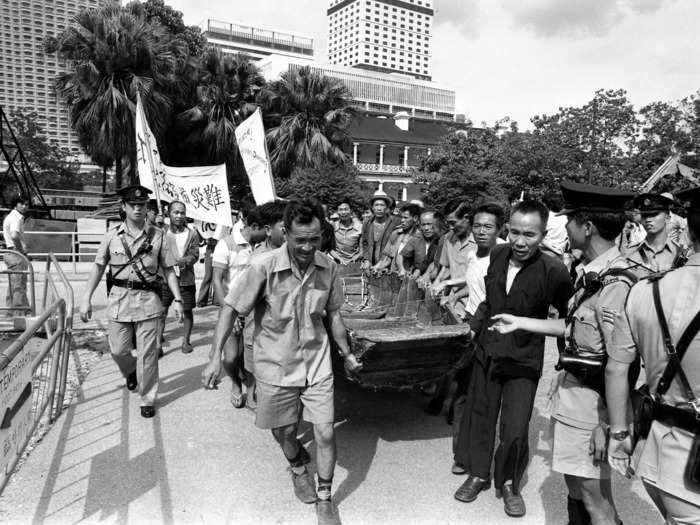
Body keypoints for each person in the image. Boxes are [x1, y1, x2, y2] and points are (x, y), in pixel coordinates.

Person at [202, 199, 362, 525]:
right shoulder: (262, 267)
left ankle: (325, 498)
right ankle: (298, 467)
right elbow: (230, 309)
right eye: (300, 239)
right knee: (285, 431)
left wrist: (347, 354)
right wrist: (214, 358)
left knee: (326, 433)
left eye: (314, 239)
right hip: (275, 363)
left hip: (317, 363)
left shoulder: (328, 268)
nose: (307, 247)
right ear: (285, 233)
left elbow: (333, 316)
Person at [490, 182, 636, 524]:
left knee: (595, 499)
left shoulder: (615, 283)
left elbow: (621, 362)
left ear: (587, 227)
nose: (564, 226)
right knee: (575, 487)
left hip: (592, 406)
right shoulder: (592, 273)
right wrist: (520, 321)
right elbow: (574, 328)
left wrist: (609, 424)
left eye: (569, 219)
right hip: (575, 400)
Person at [453, 200, 573, 518]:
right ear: (508, 230)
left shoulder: (554, 271)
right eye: (515, 232)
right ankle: (478, 473)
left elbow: (569, 321)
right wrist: (473, 330)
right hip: (487, 352)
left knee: (516, 428)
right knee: (481, 416)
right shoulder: (497, 254)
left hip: (523, 360)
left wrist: (565, 364)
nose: (520, 242)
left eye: (530, 235)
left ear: (543, 234)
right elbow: (488, 303)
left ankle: (508, 483)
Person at [606, 185, 700, 525]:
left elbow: (617, 366)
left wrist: (619, 433)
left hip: (659, 453)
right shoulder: (627, 257)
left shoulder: (645, 290)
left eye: (654, 214)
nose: (648, 220)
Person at [79, 185, 183, 418]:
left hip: (148, 301)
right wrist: (85, 298)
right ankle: (130, 372)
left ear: (147, 207)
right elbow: (98, 267)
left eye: (142, 205)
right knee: (118, 349)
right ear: (123, 207)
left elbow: (168, 270)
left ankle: (147, 398)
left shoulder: (159, 236)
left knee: (148, 354)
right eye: (133, 205)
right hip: (119, 300)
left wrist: (177, 299)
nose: (138, 208)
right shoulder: (112, 235)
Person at [211, 206, 267, 408]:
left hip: (254, 310)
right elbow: (217, 281)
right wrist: (227, 311)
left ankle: (251, 389)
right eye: (264, 228)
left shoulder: (263, 247)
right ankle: (235, 382)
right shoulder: (226, 245)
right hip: (231, 308)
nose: (268, 232)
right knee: (231, 357)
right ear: (253, 225)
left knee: (250, 354)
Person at [157, 201, 200, 355]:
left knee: (187, 311)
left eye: (182, 212)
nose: (179, 216)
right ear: (169, 214)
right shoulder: (161, 232)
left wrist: (186, 261)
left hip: (186, 279)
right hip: (165, 279)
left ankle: (186, 341)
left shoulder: (192, 233)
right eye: (175, 212)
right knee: (161, 311)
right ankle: (157, 344)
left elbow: (195, 254)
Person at [625, 193, 681, 275]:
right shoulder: (630, 253)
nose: (648, 219)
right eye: (645, 215)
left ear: (667, 218)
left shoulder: (680, 253)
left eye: (654, 215)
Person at [431, 201, 477, 300]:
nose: (451, 228)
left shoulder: (481, 242)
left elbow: (478, 279)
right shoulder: (449, 237)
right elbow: (446, 268)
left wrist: (446, 283)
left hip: (471, 304)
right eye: (448, 223)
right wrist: (435, 285)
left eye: (453, 223)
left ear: (467, 218)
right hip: (451, 302)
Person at [370, 203, 420, 274]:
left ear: (415, 218)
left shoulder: (419, 238)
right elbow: (387, 258)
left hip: (409, 276)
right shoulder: (396, 233)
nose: (402, 220)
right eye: (401, 217)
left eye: (406, 218)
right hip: (394, 276)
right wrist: (377, 267)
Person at [2, 195, 30, 315]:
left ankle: (10, 311)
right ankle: (19, 314)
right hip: (15, 253)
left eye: (26, 204)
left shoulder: (11, 216)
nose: (24, 206)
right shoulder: (16, 218)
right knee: (19, 285)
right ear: (15, 204)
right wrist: (21, 248)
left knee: (13, 284)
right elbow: (14, 235)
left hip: (9, 252)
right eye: (22, 204)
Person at [360, 190, 401, 268]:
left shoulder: (396, 222)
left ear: (386, 208)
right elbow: (364, 243)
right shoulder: (367, 223)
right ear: (372, 207)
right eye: (376, 205)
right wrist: (366, 259)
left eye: (382, 205)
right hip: (371, 265)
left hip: (389, 265)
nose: (379, 208)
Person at [401, 210, 440, 278]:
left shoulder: (443, 240)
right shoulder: (417, 238)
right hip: (418, 278)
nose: (426, 228)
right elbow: (402, 255)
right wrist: (402, 269)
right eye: (423, 225)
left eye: (429, 224)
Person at [330, 201, 363, 265]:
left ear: (351, 211)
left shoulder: (359, 228)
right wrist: (339, 258)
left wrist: (356, 257)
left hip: (355, 262)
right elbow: (330, 248)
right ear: (337, 212)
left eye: (346, 209)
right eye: (340, 210)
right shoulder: (333, 227)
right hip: (337, 262)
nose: (343, 212)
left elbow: (363, 249)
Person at [541, 192, 569, 258]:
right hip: (560, 255)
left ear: (546, 205)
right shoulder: (566, 219)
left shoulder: (544, 218)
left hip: (543, 253)